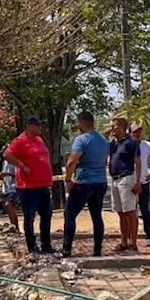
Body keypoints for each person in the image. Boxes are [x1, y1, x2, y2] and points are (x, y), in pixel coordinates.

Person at [4, 116, 54, 255]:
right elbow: (7, 154)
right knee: (29, 217)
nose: (40, 128)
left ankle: (46, 245)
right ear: (28, 126)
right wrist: (22, 166)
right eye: (36, 125)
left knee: (46, 215)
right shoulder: (20, 140)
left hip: (43, 185)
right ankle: (32, 246)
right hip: (28, 187)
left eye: (40, 125)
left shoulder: (39, 140)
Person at [63, 110, 109, 257]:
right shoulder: (103, 140)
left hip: (84, 182)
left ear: (82, 122)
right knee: (96, 216)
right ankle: (97, 250)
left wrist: (68, 179)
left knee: (69, 214)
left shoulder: (81, 139)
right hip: (100, 182)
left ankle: (66, 248)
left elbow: (71, 162)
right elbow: (104, 161)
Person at [107, 116, 143, 252]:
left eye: (114, 126)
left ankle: (133, 243)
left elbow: (137, 162)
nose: (111, 129)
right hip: (115, 179)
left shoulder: (132, 141)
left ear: (121, 127)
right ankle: (123, 243)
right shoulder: (113, 143)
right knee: (121, 212)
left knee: (130, 212)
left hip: (126, 178)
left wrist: (137, 181)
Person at [130, 122, 150, 242]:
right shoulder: (127, 145)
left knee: (145, 210)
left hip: (143, 182)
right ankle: (130, 237)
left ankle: (149, 236)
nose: (137, 134)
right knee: (130, 211)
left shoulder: (145, 145)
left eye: (139, 131)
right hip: (130, 182)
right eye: (135, 132)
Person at [0, 151, 20, 233]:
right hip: (6, 188)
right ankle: (14, 227)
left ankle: (15, 226)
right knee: (11, 209)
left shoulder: (14, 162)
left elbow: (17, 174)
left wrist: (8, 174)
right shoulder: (5, 163)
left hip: (13, 187)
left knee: (8, 205)